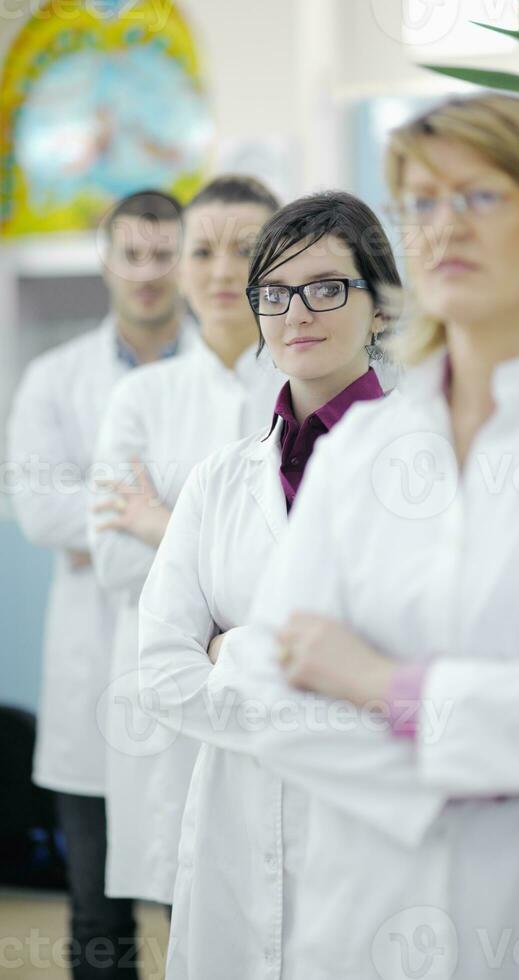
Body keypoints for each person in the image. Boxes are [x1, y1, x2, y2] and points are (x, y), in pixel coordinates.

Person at [186, 94, 519, 980]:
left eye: (478, 197)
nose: (444, 227)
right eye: (423, 204)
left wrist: (380, 685)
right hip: (365, 925)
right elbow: (270, 696)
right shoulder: (367, 448)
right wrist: (505, 755)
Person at [137, 189, 401, 978]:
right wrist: (324, 678)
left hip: (376, 839)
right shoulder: (221, 479)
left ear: (381, 307)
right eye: (275, 294)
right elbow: (159, 672)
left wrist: (236, 652)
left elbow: (417, 674)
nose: (298, 313)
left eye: (327, 288)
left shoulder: (432, 472)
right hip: (235, 831)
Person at [6, 189, 196, 979]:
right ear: (106, 260)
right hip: (91, 681)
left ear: (183, 261)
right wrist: (165, 518)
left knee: (202, 905)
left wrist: (133, 517)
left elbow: (243, 524)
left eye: (164, 254)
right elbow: (37, 511)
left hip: (192, 679)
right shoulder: (55, 378)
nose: (148, 272)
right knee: (97, 918)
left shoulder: (227, 372)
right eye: (133, 254)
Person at [88, 175, 283, 911]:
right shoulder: (141, 397)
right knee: (190, 910)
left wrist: (163, 526)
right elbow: (112, 560)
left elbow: (320, 574)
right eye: (202, 250)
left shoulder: (320, 386)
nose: (224, 270)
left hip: (290, 706)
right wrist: (247, 586)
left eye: (247, 248)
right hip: (174, 710)